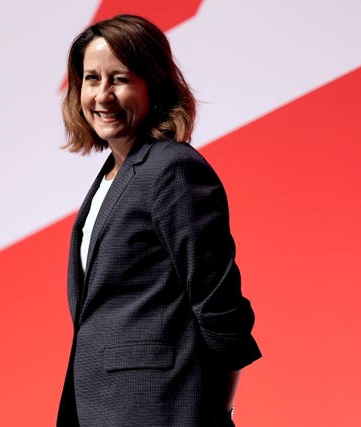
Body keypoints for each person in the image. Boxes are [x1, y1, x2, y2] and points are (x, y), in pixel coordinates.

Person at [56, 14, 261, 427]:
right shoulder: (111, 178)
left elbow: (220, 307)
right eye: (92, 79)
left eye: (120, 79)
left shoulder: (173, 169)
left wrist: (214, 412)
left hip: (159, 410)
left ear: (155, 85)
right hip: (103, 408)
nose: (103, 96)